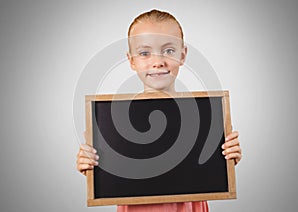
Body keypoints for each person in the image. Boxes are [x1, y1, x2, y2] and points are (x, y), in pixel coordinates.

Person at [77, 9, 242, 212]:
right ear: (131, 60)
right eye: (145, 53)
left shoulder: (205, 117)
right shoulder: (111, 121)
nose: (158, 62)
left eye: (169, 51)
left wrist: (227, 158)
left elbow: (213, 168)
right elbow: (106, 171)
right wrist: (92, 167)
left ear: (183, 55)